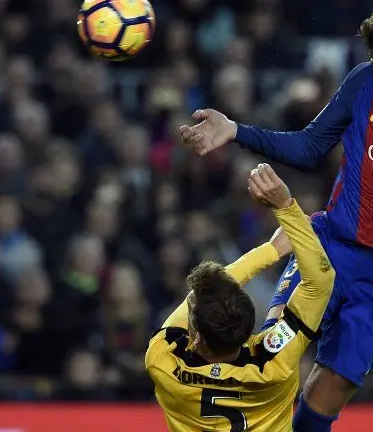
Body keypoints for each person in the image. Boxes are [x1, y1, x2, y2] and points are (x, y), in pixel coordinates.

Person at [179, 1, 373, 430]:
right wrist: (236, 131)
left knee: (331, 389)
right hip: (328, 249)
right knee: (271, 357)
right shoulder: (363, 82)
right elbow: (309, 147)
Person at [144, 163, 336, 431]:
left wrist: (269, 251)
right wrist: (286, 208)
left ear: (197, 336)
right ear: (248, 330)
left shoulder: (163, 361)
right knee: (286, 318)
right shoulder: (275, 363)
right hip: (267, 363)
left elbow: (196, 297)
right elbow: (320, 281)